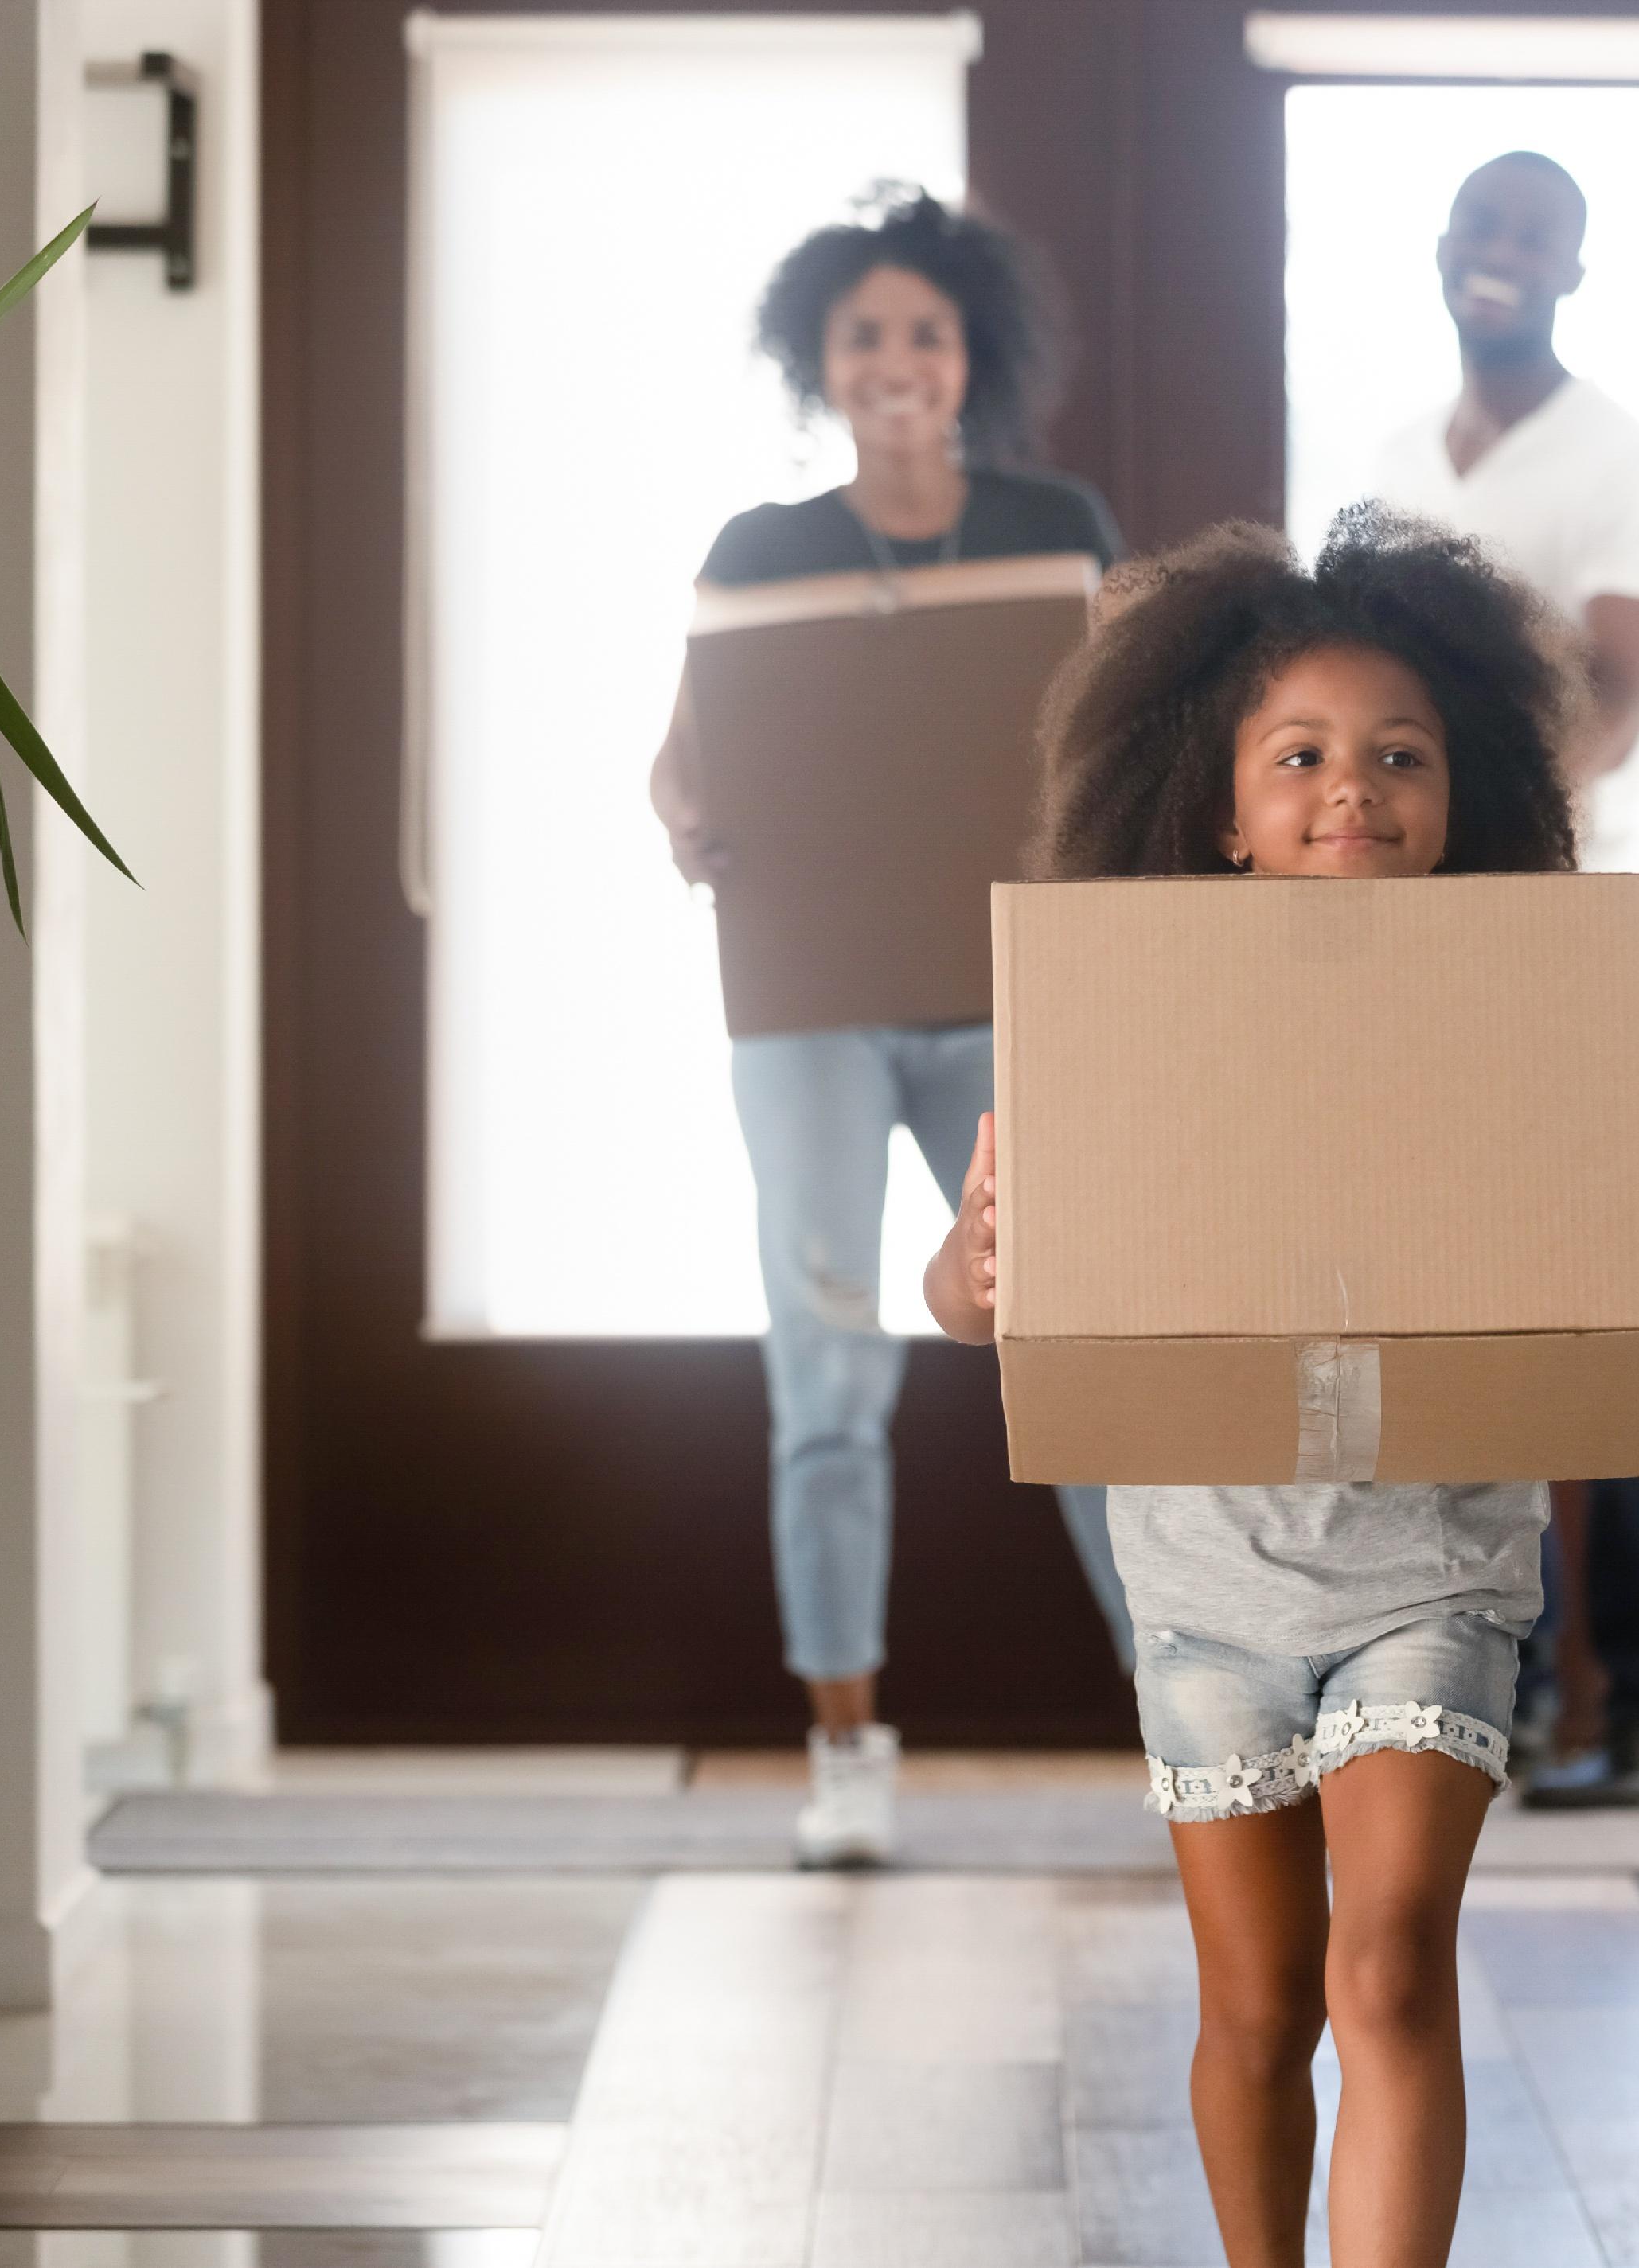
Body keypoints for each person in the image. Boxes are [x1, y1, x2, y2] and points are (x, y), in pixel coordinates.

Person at [925, 507, 1639, 2268]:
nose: (1349, 789)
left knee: (1389, 1970)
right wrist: (975, 1263)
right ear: (1219, 806)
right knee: (1256, 2007)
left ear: (1463, 796)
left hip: (1434, 1573)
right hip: (1205, 1593)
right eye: (1298, 757)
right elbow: (975, 1301)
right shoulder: (1124, 1019)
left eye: (1397, 756)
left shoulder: (1532, 1015)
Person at [646, 188, 1133, 1869]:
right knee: (828, 1376)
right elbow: (682, 759)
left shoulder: (1059, 522)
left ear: (971, 352)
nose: (897, 359)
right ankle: (846, 1752)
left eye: (924, 330)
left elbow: (1137, 736)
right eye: (865, 334)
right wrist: (687, 823)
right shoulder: (759, 550)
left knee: (1084, 1354)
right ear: (821, 361)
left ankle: (1194, 1732)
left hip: (1015, 999)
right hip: (812, 1014)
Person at [1363, 150, 1639, 1805]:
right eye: (1478, 228)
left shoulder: (1617, 460)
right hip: (1412, 944)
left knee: (1611, 1301)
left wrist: (1499, 842)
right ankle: (1502, 1703)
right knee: (1466, 1306)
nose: (1498, 255)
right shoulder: (1386, 467)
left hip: (1562, 925)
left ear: (1572, 271)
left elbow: (1618, 705)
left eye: (1534, 236)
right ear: (1441, 252)